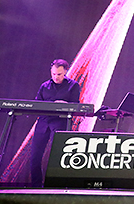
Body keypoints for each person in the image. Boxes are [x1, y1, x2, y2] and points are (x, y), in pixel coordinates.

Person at [29, 58, 81, 187]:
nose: (56, 77)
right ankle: (36, 186)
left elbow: (76, 105)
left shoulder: (73, 86)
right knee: (35, 156)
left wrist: (65, 104)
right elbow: (37, 104)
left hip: (60, 123)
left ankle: (53, 185)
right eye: (53, 74)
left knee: (56, 156)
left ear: (65, 72)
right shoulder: (45, 86)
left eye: (59, 74)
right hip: (43, 123)